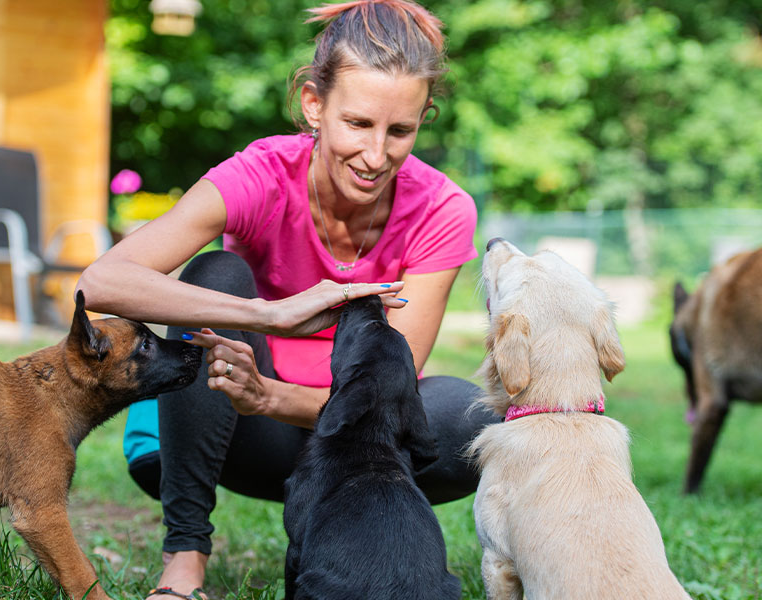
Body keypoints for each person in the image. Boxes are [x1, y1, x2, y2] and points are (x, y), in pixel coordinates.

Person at [76, 1, 498, 598]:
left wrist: (268, 395)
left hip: (353, 449)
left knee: (473, 418)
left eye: (399, 131)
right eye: (357, 124)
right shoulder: (261, 175)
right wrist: (266, 315)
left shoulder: (442, 208)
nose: (376, 156)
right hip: (239, 436)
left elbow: (390, 392)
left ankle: (350, 538)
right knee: (215, 274)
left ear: (423, 119)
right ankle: (185, 554)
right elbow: (101, 283)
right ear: (313, 105)